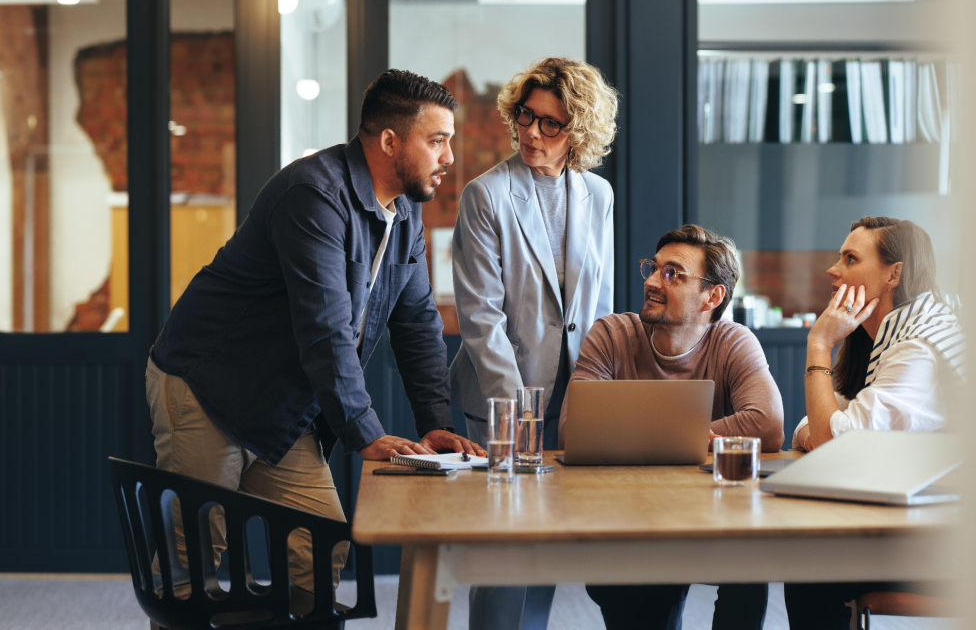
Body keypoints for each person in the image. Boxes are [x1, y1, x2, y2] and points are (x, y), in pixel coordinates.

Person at [145, 69, 482, 613]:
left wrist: (434, 424)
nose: (449, 158)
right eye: (438, 141)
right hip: (207, 385)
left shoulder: (406, 212)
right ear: (390, 142)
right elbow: (325, 329)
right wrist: (366, 434)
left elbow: (416, 319)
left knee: (320, 546)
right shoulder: (314, 196)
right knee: (194, 558)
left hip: (283, 402)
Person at [450, 57, 618, 630]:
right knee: (503, 552)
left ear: (580, 132)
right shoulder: (485, 196)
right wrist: (516, 414)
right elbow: (479, 318)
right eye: (526, 116)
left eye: (552, 124)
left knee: (544, 545)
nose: (533, 134)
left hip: (574, 396)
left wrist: (596, 393)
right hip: (503, 398)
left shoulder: (598, 194)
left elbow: (599, 305)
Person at [559, 224, 785, 630]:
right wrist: (698, 438)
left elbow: (767, 423)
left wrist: (658, 437)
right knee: (633, 592)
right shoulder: (611, 334)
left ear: (712, 297)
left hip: (712, 515)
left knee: (751, 563)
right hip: (630, 518)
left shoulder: (733, 341)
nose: (651, 281)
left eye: (673, 274)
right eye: (654, 268)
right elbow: (574, 428)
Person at [785, 216, 964, 629]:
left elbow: (835, 443)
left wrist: (818, 344)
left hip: (947, 549)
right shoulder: (887, 335)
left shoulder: (918, 348)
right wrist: (823, 430)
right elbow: (816, 427)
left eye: (849, 258)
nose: (833, 270)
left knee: (808, 569)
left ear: (894, 274)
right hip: (916, 526)